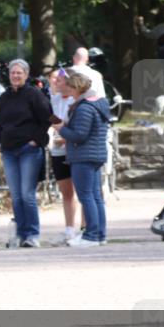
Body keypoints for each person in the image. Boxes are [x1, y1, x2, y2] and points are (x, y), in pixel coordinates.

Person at [0, 59, 52, 248]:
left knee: (27, 195)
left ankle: (32, 234)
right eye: (13, 73)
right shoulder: (4, 97)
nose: (16, 76)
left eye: (19, 73)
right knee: (16, 195)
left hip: (29, 149)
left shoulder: (34, 95)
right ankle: (19, 233)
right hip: (9, 150)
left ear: (26, 75)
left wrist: (37, 139)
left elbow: (49, 117)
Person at [54, 71, 111, 247]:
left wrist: (61, 129)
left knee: (86, 196)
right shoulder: (96, 104)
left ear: (76, 88)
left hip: (84, 156)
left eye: (69, 86)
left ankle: (92, 236)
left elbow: (79, 135)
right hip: (94, 155)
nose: (67, 90)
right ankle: (99, 234)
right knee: (95, 196)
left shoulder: (85, 107)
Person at [47, 68, 79, 245]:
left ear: (68, 83)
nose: (55, 83)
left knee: (82, 191)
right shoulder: (54, 99)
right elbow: (52, 118)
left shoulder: (77, 101)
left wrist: (66, 132)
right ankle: (69, 229)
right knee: (66, 191)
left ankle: (85, 228)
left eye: (58, 80)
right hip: (58, 149)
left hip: (74, 149)